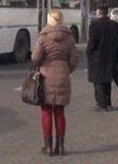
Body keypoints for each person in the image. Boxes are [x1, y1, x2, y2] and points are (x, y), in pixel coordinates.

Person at [31, 9, 79, 157]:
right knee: (59, 112)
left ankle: (48, 147)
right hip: (63, 75)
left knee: (46, 111)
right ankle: (61, 146)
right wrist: (66, 70)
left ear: (49, 20)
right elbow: (74, 59)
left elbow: (35, 58)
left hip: (46, 75)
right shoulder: (70, 38)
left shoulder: (43, 37)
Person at [86, 5, 118, 111]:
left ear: (99, 12)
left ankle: (101, 104)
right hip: (110, 56)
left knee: (98, 81)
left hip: (97, 56)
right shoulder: (114, 25)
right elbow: (117, 41)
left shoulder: (95, 25)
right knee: (107, 80)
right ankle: (108, 101)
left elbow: (92, 42)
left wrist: (89, 52)